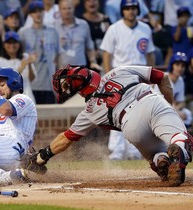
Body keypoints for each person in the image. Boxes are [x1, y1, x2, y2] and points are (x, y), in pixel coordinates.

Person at [32, 64, 192, 187]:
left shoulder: (89, 111)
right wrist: (167, 106)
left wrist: (41, 157)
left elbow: (66, 138)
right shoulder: (119, 71)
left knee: (155, 156)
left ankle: (161, 160)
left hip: (131, 125)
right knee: (179, 137)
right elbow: (161, 77)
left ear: (78, 89)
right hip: (150, 101)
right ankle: (179, 151)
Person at [100, 0, 155, 160]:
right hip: (120, 77)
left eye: (133, 8)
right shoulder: (114, 28)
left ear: (138, 10)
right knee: (116, 112)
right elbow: (107, 54)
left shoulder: (145, 28)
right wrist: (109, 76)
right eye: (127, 8)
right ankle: (117, 150)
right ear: (122, 10)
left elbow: (150, 54)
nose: (131, 11)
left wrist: (151, 77)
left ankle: (134, 149)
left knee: (139, 114)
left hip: (139, 77)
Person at [18, 1, 59, 104]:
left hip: (48, 83)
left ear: (43, 12)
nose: (37, 14)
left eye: (40, 11)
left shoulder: (53, 31)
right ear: (30, 14)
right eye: (34, 11)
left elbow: (58, 55)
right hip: (30, 84)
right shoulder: (23, 32)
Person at [54, 0, 102, 71]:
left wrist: (93, 61)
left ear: (74, 8)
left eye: (69, 8)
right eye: (64, 8)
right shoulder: (54, 27)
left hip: (80, 69)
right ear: (59, 10)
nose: (67, 11)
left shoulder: (83, 24)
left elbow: (89, 46)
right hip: (62, 70)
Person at [0, 31, 37, 103]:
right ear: (4, 45)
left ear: (19, 44)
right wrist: (22, 67)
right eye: (9, 43)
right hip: (10, 101)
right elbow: (9, 82)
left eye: (14, 42)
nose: (12, 45)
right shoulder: (0, 61)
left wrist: (29, 65)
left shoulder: (25, 56)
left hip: (27, 98)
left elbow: (32, 79)